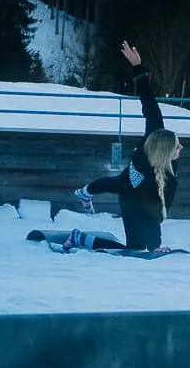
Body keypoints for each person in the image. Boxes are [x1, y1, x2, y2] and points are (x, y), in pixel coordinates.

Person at [64, 40, 179, 253]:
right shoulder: (154, 138)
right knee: (118, 186)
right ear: (163, 151)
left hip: (140, 192)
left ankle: (79, 237)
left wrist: (156, 245)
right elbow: (148, 103)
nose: (180, 149)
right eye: (177, 147)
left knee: (137, 246)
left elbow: (161, 205)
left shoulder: (167, 161)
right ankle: (85, 193)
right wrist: (137, 68)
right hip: (131, 195)